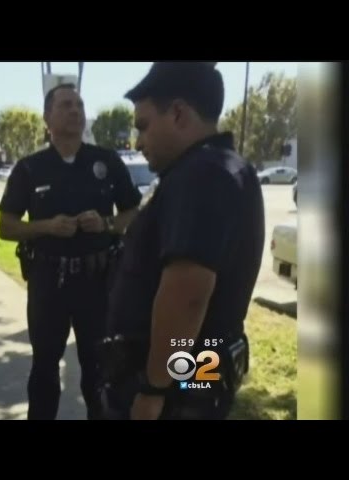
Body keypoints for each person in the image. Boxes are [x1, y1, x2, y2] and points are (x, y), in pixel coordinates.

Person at [101, 62, 264, 420]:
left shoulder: (202, 174)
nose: (138, 142)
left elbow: (188, 294)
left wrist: (154, 389)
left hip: (172, 393)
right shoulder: (225, 167)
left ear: (178, 114)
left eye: (143, 126)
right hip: (193, 377)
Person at [0, 84, 141, 420]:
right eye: (65, 105)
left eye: (79, 105)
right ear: (47, 117)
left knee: (99, 371)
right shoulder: (30, 168)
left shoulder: (106, 161)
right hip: (49, 283)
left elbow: (135, 213)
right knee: (44, 370)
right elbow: (6, 226)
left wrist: (106, 223)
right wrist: (46, 227)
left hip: (98, 283)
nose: (75, 111)